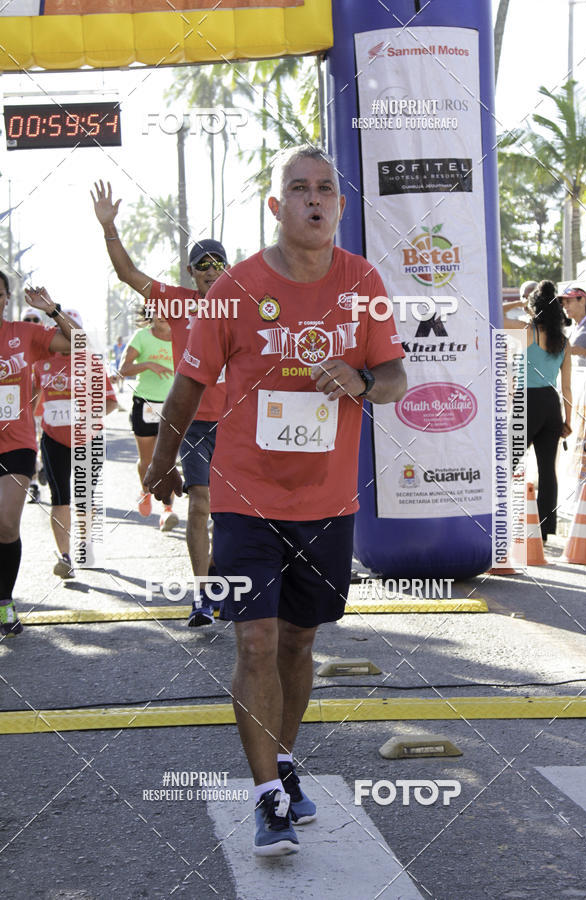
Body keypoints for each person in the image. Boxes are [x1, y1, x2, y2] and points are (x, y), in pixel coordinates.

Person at [143, 146, 407, 855]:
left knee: (298, 642)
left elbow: (396, 379)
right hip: (244, 495)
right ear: (276, 206)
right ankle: (266, 798)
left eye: (326, 189)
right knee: (254, 639)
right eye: (299, 189)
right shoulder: (234, 288)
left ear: (340, 208)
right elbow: (190, 384)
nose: (314, 200)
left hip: (326, 502)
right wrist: (163, 462)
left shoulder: (364, 282)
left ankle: (283, 762)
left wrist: (359, 379)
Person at [91, 180, 227, 626]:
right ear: (192, 274)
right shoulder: (178, 301)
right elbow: (129, 274)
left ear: (228, 270)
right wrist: (110, 229)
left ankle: (232, 583)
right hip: (195, 423)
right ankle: (203, 597)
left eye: (218, 264)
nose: (210, 271)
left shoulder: (248, 305)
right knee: (202, 502)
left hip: (245, 424)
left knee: (240, 513)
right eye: (202, 266)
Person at [0, 279, 77, 636]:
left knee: (6, 523)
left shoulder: (23, 334)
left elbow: (78, 342)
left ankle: (4, 601)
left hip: (16, 443)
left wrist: (52, 310)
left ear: (6, 298)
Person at [32, 310, 118, 578]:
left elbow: (111, 401)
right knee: (60, 498)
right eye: (62, 330)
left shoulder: (91, 362)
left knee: (85, 496)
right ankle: (65, 556)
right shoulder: (41, 362)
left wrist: (90, 415)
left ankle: (85, 543)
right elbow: (31, 400)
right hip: (53, 439)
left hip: (88, 438)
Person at [504, 279, 572, 541]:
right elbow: (567, 387)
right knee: (547, 469)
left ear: (535, 308)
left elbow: (492, 314)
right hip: (551, 404)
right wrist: (567, 419)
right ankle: (543, 530)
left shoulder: (527, 331)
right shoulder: (563, 341)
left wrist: (518, 303)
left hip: (526, 402)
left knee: (506, 463)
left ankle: (498, 521)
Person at [119, 312, 178, 531]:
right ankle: (145, 491)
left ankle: (167, 510)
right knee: (147, 460)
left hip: (173, 405)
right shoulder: (142, 337)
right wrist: (149, 364)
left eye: (168, 310)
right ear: (152, 313)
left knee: (168, 460)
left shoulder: (182, 335)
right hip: (145, 404)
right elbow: (123, 369)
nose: (164, 315)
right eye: (158, 311)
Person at [22, 306, 44, 502]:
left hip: (49, 409)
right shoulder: (14, 346)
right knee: (32, 446)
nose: (30, 324)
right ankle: (34, 484)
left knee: (43, 449)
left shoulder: (49, 345)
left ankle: (43, 467)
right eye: (26, 320)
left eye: (34, 320)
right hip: (25, 409)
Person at [559, 286, 586, 366]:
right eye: (563, 304)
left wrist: (582, 351)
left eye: (568, 301)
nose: (565, 307)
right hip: (573, 377)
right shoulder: (567, 330)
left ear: (582, 301)